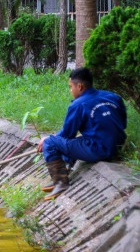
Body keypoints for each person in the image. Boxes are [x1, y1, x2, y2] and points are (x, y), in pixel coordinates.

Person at [37, 67, 127, 200]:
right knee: (77, 141)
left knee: (51, 143)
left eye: (70, 87)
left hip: (100, 151)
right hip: (118, 145)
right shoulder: (113, 97)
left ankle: (60, 182)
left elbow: (68, 134)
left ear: (79, 86)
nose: (70, 90)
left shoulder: (78, 104)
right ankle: (65, 169)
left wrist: (47, 139)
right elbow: (123, 123)